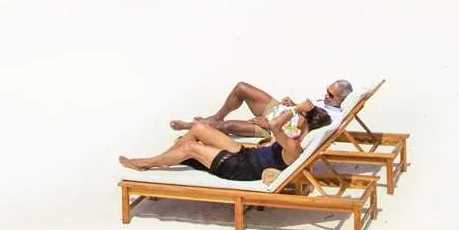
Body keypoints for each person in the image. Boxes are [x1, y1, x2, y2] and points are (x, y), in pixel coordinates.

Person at [120, 102, 332, 180]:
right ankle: (166, 158)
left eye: (300, 117)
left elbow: (275, 126)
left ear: (306, 121)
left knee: (191, 147)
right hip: (245, 155)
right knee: (199, 128)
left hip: (242, 169)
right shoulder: (295, 137)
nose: (297, 117)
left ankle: (145, 163)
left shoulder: (295, 145)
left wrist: (295, 109)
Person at [170, 79, 353, 136]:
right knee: (241, 88)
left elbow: (298, 133)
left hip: (274, 129)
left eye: (330, 95)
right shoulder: (324, 103)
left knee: (228, 127)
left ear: (341, 98)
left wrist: (268, 124)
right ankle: (217, 116)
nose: (325, 96)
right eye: (327, 91)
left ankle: (190, 126)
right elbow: (302, 113)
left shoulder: (332, 118)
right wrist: (294, 105)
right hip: (280, 111)